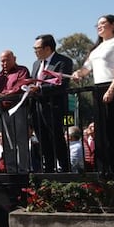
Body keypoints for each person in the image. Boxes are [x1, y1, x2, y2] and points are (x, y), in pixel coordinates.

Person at [71, 15, 114, 173]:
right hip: (98, 88)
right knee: (101, 130)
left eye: (103, 23)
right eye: (97, 24)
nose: (99, 27)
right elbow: (86, 69)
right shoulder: (96, 49)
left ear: (113, 25)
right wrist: (78, 73)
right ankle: (103, 167)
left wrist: (112, 89)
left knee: (113, 127)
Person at [29, 34, 74, 172]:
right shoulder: (36, 64)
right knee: (43, 140)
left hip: (54, 107)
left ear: (47, 48)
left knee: (56, 139)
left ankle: (65, 169)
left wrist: (40, 89)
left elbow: (62, 84)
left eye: (37, 48)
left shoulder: (63, 61)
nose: (35, 51)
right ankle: (48, 169)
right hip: (37, 107)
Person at [0, 50, 32, 173]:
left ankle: (23, 169)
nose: (4, 63)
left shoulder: (22, 71)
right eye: (2, 61)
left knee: (21, 140)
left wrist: (2, 95)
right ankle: (11, 169)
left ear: (14, 59)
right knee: (7, 141)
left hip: (19, 108)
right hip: (4, 110)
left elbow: (20, 87)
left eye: (7, 60)